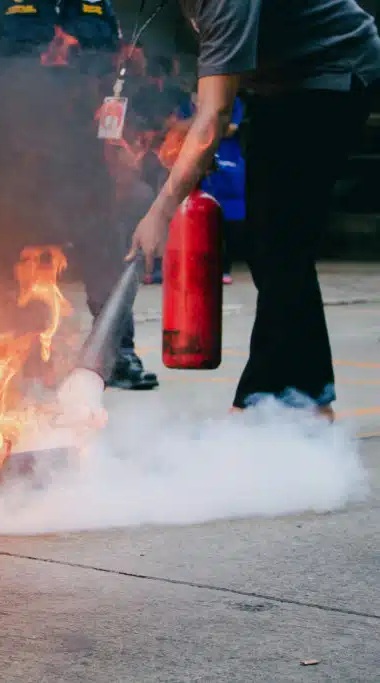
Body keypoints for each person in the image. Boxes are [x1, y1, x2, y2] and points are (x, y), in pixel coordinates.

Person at [128, 0, 380, 419]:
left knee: (280, 241)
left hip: (334, 71)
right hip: (280, 84)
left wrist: (161, 211)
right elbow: (211, 86)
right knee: (272, 245)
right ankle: (310, 396)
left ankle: (264, 400)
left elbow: (215, 114)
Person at [0, 0, 159, 390]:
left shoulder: (96, 6)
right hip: (14, 149)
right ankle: (20, 352)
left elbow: (115, 77)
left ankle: (115, 352)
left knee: (105, 252)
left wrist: (123, 136)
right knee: (11, 253)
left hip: (84, 151)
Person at [180, 91, 247, 284]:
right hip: (198, 163)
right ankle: (199, 266)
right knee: (199, 219)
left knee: (228, 220)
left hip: (227, 163)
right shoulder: (186, 103)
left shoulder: (232, 100)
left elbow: (232, 128)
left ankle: (225, 267)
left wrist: (201, 126)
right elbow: (177, 127)